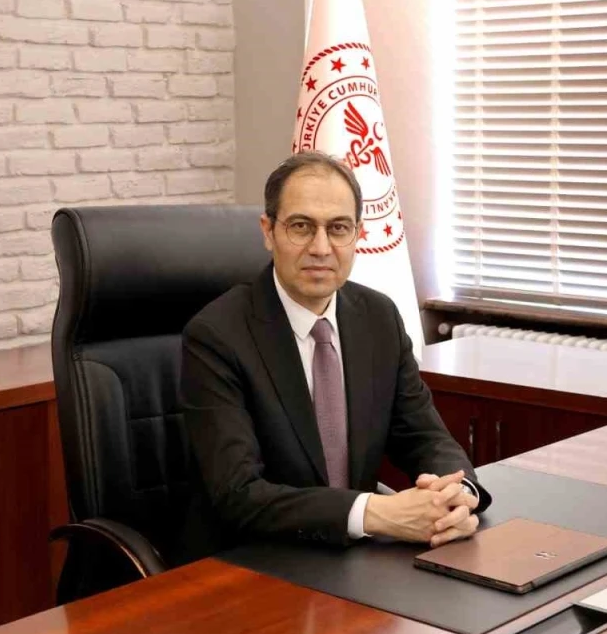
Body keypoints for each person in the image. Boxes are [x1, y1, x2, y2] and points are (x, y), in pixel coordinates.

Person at [180, 151, 491, 560]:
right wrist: (375, 513)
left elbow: (424, 436)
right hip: (253, 560)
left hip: (351, 558)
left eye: (338, 228)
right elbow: (239, 494)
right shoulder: (217, 336)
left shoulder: (378, 316)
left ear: (358, 235)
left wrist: (458, 495)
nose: (321, 247)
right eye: (301, 226)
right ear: (268, 232)